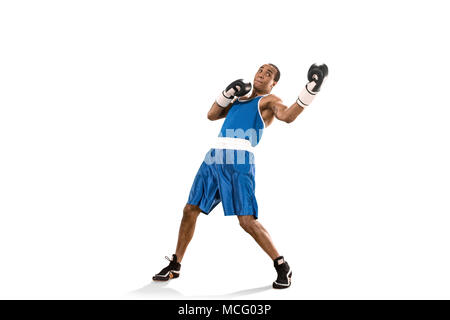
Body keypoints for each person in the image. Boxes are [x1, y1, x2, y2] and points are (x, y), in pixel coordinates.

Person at [153, 63, 328, 289]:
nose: (262, 75)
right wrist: (227, 94)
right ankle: (175, 264)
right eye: (260, 70)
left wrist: (311, 89)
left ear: (273, 83)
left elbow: (287, 116)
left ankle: (282, 265)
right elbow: (211, 114)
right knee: (190, 209)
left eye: (269, 74)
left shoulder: (268, 101)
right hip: (214, 158)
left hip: (240, 161)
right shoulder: (239, 100)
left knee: (246, 221)